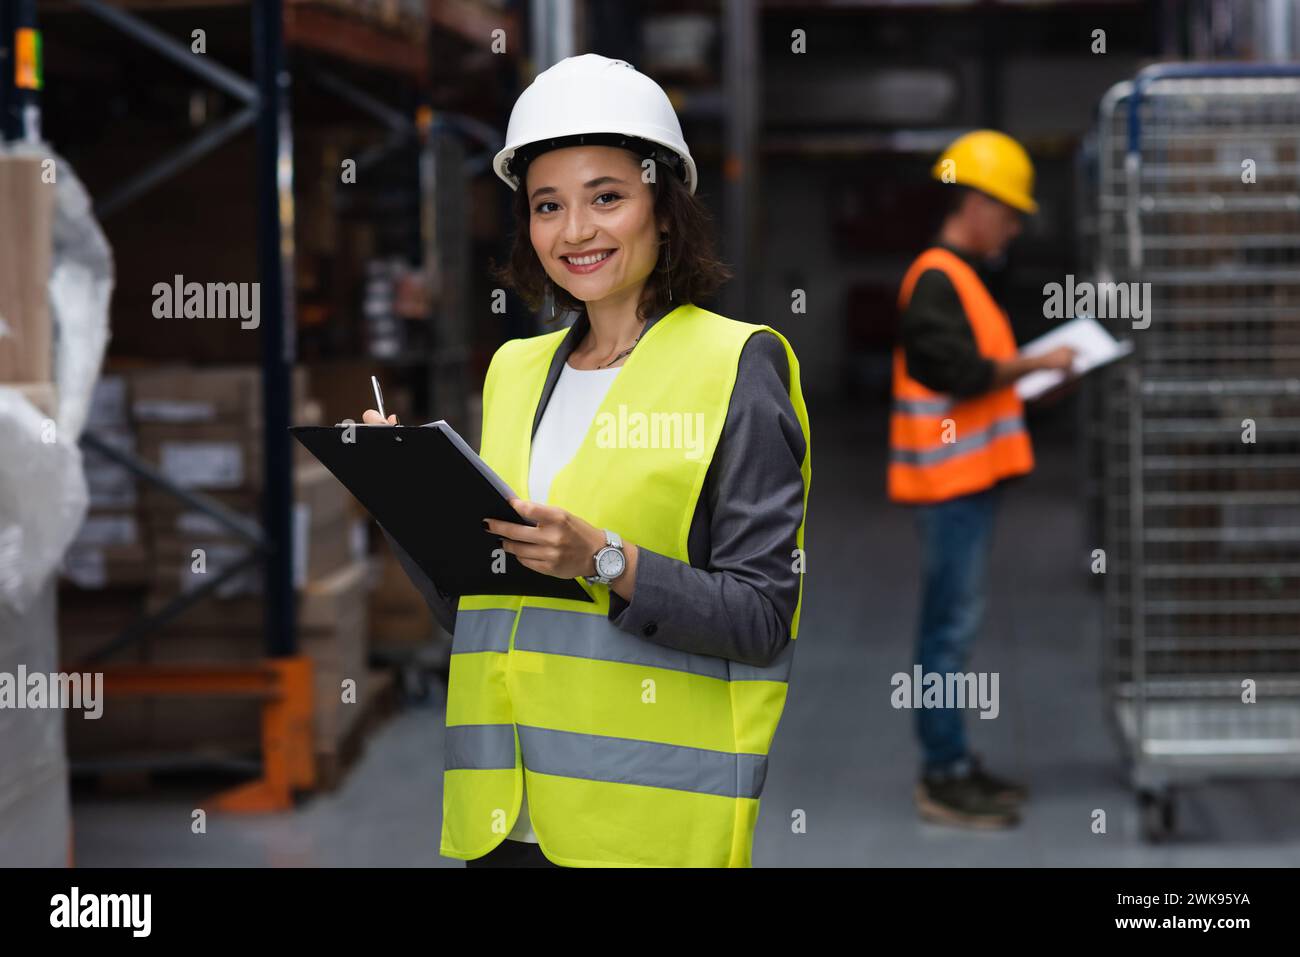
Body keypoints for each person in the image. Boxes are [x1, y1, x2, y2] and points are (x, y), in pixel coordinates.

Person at [365, 54, 812, 867]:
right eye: (548, 205)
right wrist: (400, 492)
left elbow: (760, 617)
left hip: (643, 825)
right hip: (502, 818)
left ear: (665, 210)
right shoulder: (514, 371)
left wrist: (603, 559)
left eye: (607, 197)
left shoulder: (736, 366)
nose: (575, 231)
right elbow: (479, 609)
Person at [889, 130, 1075, 829]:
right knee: (946, 632)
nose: (1016, 224)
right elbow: (955, 373)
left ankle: (957, 764)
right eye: (1009, 209)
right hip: (950, 487)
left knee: (952, 628)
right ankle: (942, 773)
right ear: (974, 201)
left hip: (968, 483)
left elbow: (977, 379)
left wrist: (1035, 381)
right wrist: (1035, 365)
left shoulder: (960, 277)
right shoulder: (938, 277)